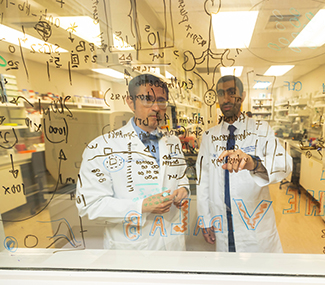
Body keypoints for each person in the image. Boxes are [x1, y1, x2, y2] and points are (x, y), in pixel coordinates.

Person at [76, 74, 189, 250]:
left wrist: (183, 189)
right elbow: (90, 205)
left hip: (172, 240)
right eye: (147, 99)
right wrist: (141, 206)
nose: (156, 107)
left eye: (161, 100)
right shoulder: (101, 147)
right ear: (130, 102)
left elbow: (180, 177)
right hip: (132, 247)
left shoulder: (172, 141)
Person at [196, 75, 292, 253]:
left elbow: (284, 164)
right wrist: (204, 219)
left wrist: (253, 164)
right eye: (221, 94)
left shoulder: (261, 130)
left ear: (243, 96)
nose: (226, 99)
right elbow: (203, 180)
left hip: (253, 225)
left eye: (232, 93)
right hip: (222, 223)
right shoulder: (209, 137)